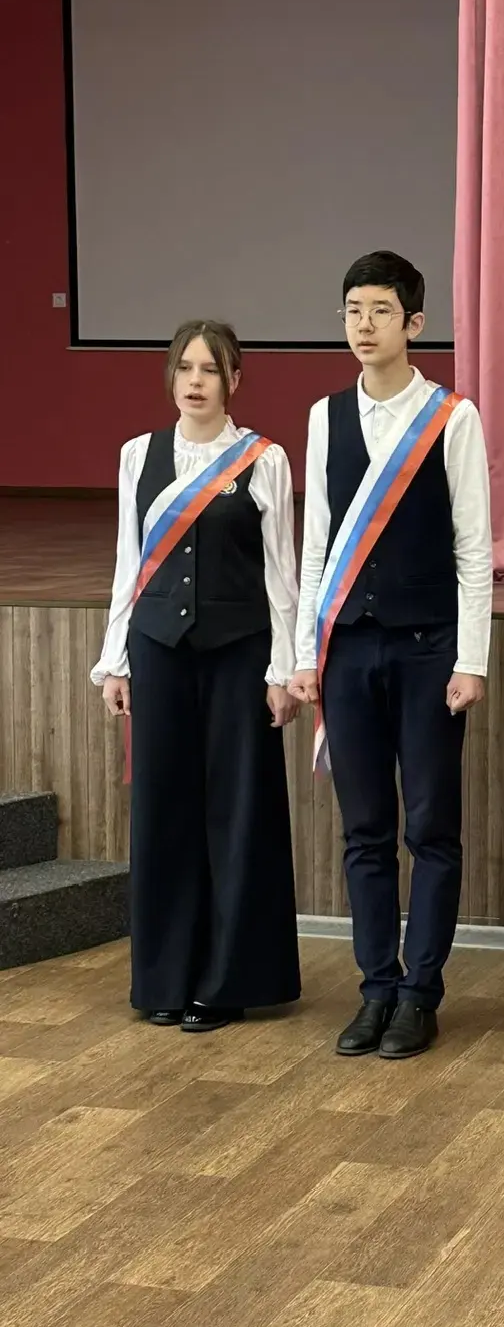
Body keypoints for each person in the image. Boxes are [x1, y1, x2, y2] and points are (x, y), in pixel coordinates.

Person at [289, 251, 492, 1060]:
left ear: (414, 324)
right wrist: (306, 654)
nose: (363, 325)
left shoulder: (452, 418)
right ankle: (376, 987)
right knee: (364, 830)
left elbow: (474, 549)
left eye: (379, 311)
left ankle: (420, 993)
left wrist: (472, 659)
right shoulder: (324, 416)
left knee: (431, 828)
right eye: (352, 310)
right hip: (346, 651)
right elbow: (315, 548)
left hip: (428, 649)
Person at [93, 320, 302, 1031]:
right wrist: (115, 660)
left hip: (240, 653)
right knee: (164, 810)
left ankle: (226, 983)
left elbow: (281, 575)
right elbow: (128, 564)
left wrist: (282, 670)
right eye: (185, 367)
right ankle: (165, 979)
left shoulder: (263, 460)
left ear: (234, 380)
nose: (195, 381)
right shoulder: (138, 456)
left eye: (210, 369)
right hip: (157, 649)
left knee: (237, 813)